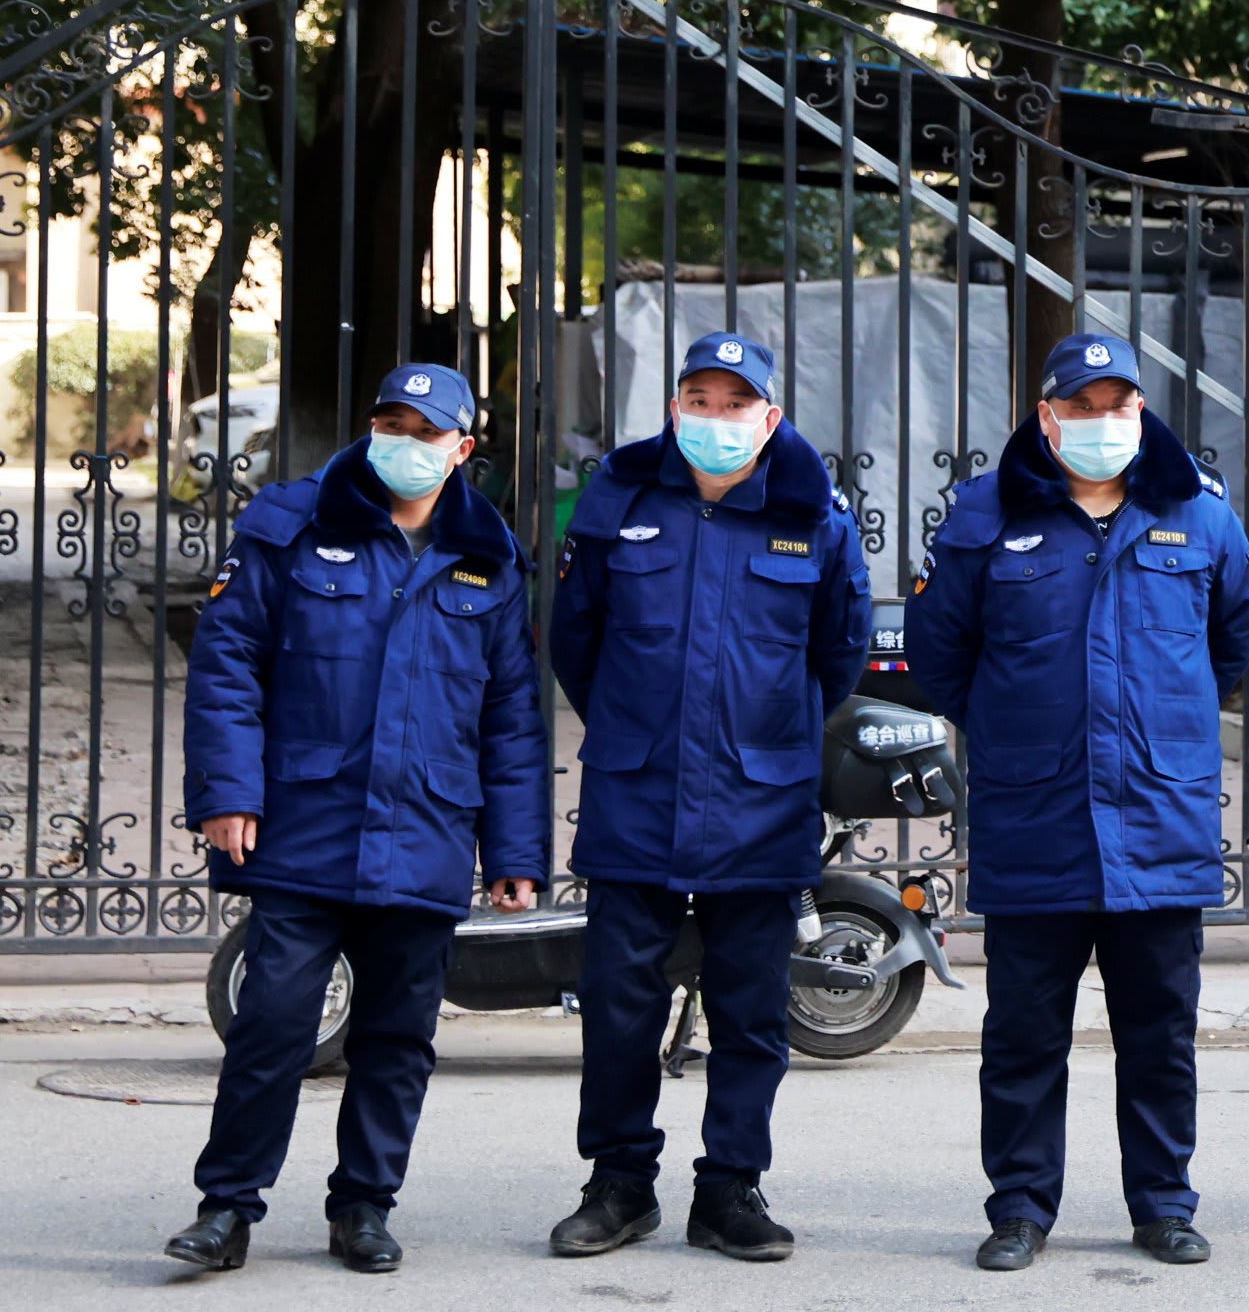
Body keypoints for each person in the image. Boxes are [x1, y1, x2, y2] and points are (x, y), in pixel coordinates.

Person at [166, 365, 548, 1274]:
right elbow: (227, 667)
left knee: (397, 1037)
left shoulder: (488, 559)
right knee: (273, 1022)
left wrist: (516, 849)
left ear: (462, 449)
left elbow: (512, 718)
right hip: (305, 824)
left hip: (426, 830)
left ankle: (365, 1205)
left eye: (427, 430)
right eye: (390, 421)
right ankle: (227, 1206)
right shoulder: (290, 527)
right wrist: (227, 793)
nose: (404, 442)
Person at [904, 330, 1249, 1270]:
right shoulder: (987, 515)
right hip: (1037, 816)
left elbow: (1235, 635)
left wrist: (1164, 715)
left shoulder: (1199, 511)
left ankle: (1163, 1202)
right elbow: (942, 654)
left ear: (1141, 412)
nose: (1104, 422)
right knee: (1024, 1034)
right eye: (1084, 406)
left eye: (1120, 405)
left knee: (1160, 1033)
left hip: (1159, 812)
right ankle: (1021, 1205)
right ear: (1048, 415)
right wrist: (1016, 721)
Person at [545, 331, 871, 1262]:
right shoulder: (620, 500)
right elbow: (578, 642)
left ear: (769, 418)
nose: (715, 418)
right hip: (637, 790)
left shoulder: (814, 518)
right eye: (700, 399)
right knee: (616, 1004)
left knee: (750, 1010)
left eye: (737, 404)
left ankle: (730, 1188)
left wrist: (766, 729)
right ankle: (618, 1183)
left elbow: (835, 654)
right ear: (674, 407)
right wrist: (637, 721)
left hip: (760, 800)